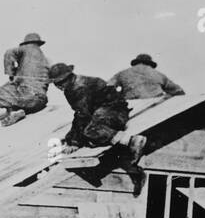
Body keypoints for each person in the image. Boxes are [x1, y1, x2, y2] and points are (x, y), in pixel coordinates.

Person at [48, 61, 147, 193]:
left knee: (90, 131)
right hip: (104, 111)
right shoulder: (72, 87)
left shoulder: (79, 88)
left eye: (61, 82)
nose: (59, 86)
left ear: (69, 77)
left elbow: (83, 115)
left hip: (114, 111)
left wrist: (75, 143)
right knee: (89, 133)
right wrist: (70, 138)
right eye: (56, 83)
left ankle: (130, 141)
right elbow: (79, 115)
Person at [0, 32, 51, 128]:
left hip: (25, 95)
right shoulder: (47, 60)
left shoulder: (26, 48)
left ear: (26, 43)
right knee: (15, 93)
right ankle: (18, 111)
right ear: (39, 44)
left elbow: (9, 53)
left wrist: (10, 73)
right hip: (41, 101)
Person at [108, 53, 185, 100]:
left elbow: (108, 87)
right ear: (150, 64)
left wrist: (118, 96)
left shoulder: (123, 73)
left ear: (136, 62)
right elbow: (178, 91)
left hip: (133, 106)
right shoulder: (157, 74)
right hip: (158, 104)